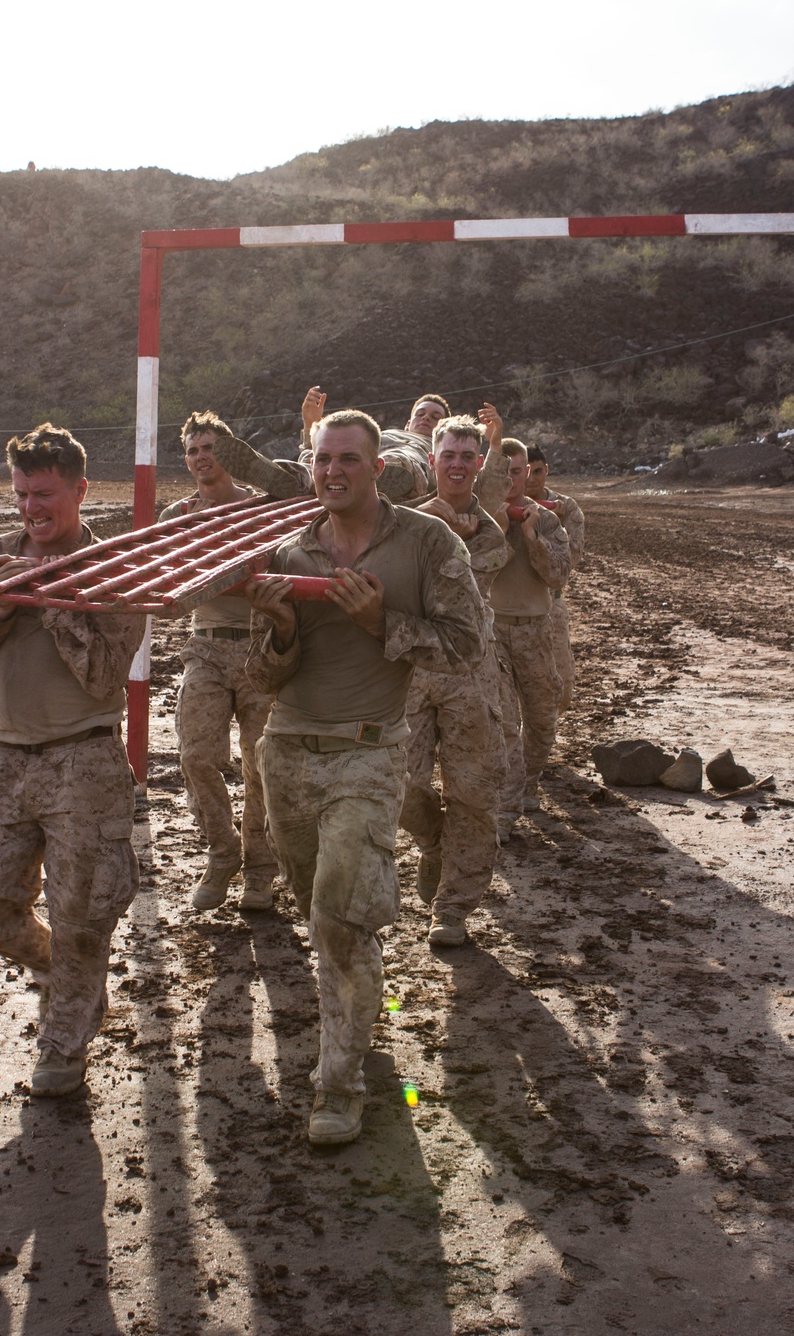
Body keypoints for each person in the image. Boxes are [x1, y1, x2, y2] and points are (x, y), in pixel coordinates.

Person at [245, 410, 488, 1146]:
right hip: (287, 750)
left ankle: (339, 1086)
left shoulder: (426, 542)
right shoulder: (292, 550)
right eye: (323, 460)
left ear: (378, 468)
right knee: (323, 907)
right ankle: (359, 1009)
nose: (333, 472)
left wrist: (385, 622)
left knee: (339, 919)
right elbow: (264, 673)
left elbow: (467, 645)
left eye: (348, 459)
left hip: (369, 750)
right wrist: (282, 628)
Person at [0, 424, 144, 1098]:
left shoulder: (118, 568)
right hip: (2, 758)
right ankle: (75, 975)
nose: (30, 509)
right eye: (21, 494)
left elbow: (108, 678)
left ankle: (63, 1044)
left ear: (80, 490)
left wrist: (52, 603)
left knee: (82, 913)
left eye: (44, 494)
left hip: (84, 761)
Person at [160, 412, 278, 913]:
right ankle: (221, 850)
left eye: (211, 447)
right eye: (192, 450)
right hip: (205, 645)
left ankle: (259, 869)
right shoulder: (178, 516)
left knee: (260, 765)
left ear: (230, 453)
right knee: (195, 755)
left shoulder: (263, 511)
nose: (202, 457)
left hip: (256, 647)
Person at [401, 416, 509, 946]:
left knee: (473, 790)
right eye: (450, 455)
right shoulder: (405, 521)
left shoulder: (490, 531)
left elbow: (471, 567)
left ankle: (454, 908)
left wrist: (447, 533)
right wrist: (429, 519)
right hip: (414, 669)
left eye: (469, 455)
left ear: (479, 465)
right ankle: (432, 844)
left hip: (470, 673)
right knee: (402, 783)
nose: (459, 464)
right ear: (432, 461)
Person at [488, 438, 570, 837]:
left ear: (528, 473)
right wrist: (500, 531)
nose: (510, 478)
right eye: (502, 471)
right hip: (493, 633)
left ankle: (529, 782)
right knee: (503, 720)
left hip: (535, 631)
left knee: (541, 716)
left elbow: (557, 576)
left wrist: (533, 537)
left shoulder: (548, 520)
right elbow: (473, 568)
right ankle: (505, 809)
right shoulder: (482, 517)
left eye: (517, 471)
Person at [214, 388, 452, 503]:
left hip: (407, 460)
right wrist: (312, 424)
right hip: (367, 452)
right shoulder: (385, 432)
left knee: (402, 459)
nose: (427, 418)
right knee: (329, 456)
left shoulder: (440, 446)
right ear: (408, 422)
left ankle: (383, 478)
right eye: (421, 414)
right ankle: (289, 476)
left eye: (435, 417)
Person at [525, 444, 585, 712]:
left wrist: (553, 526)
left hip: (551, 604)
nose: (531, 479)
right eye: (525, 472)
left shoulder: (567, 509)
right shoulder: (504, 506)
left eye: (537, 471)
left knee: (561, 685)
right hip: (511, 606)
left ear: (546, 470)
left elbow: (566, 565)